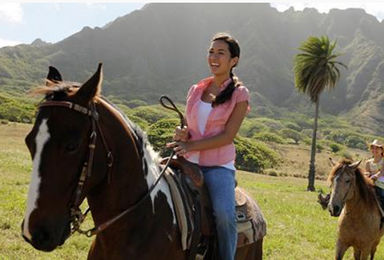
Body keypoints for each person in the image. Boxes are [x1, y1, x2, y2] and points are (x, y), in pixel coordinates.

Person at [167, 32, 250, 260]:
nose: (214, 56)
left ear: (234, 61)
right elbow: (189, 126)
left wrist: (190, 145)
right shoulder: (195, 90)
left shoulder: (240, 95)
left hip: (218, 167)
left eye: (221, 53)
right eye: (211, 51)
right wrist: (182, 133)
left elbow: (227, 136)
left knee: (224, 214)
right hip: (187, 161)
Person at [365, 139, 384, 208]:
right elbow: (367, 172)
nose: (374, 150)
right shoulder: (368, 162)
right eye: (373, 148)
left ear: (381, 150)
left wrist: (376, 176)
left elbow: (382, 172)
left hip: (381, 182)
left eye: (377, 148)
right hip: (371, 181)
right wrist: (367, 174)